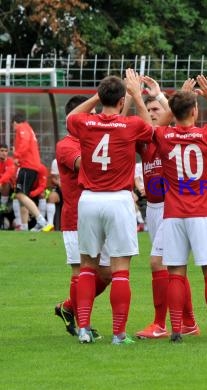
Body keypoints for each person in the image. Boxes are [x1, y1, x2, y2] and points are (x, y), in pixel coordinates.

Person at [152, 75, 207, 342]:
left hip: (174, 215)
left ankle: (177, 330)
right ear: (195, 111)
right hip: (203, 213)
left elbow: (162, 123)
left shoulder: (164, 135)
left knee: (176, 273)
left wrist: (178, 96)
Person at [67, 69, 153, 345]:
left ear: (102, 97)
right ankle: (118, 334)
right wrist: (137, 96)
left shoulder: (85, 123)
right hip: (118, 199)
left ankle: (84, 329)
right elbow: (150, 128)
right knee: (120, 269)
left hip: (89, 199)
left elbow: (70, 117)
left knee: (87, 266)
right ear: (121, 101)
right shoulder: (129, 125)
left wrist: (98, 96)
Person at [134, 93, 200, 340]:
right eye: (148, 109)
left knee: (158, 263)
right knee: (174, 266)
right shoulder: (145, 141)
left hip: (170, 207)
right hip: (152, 208)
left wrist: (161, 101)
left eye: (156, 109)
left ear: (170, 113)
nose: (151, 113)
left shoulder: (171, 138)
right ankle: (189, 322)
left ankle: (160, 324)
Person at [53, 95, 111, 339]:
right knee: (81, 271)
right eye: (90, 116)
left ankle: (68, 307)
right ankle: (82, 325)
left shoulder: (94, 140)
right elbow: (85, 166)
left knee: (107, 274)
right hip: (75, 218)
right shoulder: (66, 145)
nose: (94, 120)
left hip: (98, 214)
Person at [12, 113, 49, 231]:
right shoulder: (28, 128)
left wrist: (17, 155)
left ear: (14, 122)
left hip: (28, 166)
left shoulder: (21, 127)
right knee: (23, 197)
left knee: (19, 194)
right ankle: (25, 227)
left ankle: (41, 220)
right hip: (31, 165)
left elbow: (25, 142)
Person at [42, 158, 62, 231]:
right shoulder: (56, 161)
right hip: (60, 189)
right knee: (51, 197)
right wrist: (59, 183)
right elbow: (54, 178)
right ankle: (50, 224)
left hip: (72, 190)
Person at [0, 143, 16, 213]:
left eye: (6, 151)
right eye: (2, 151)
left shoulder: (10, 161)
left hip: (11, 189)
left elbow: (8, 175)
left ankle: (3, 205)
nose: (4, 153)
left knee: (5, 182)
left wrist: (0, 182)